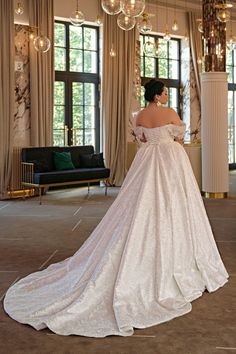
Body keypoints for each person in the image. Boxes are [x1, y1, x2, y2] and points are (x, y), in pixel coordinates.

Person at [4, 79, 228, 338]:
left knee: (139, 203)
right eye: (165, 92)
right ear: (157, 95)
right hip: (170, 162)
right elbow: (179, 137)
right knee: (174, 204)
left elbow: (142, 139)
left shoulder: (141, 115)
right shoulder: (169, 113)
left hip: (146, 162)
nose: (167, 95)